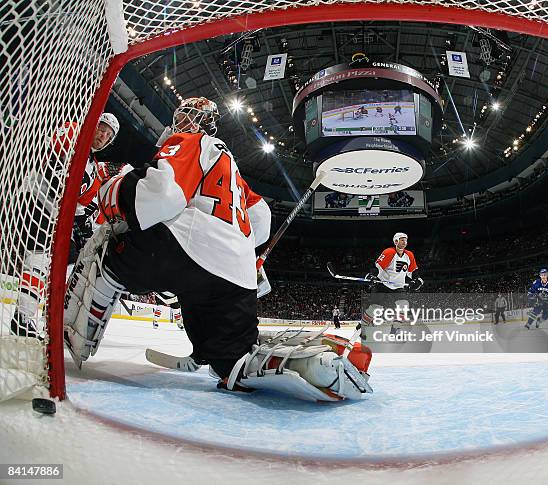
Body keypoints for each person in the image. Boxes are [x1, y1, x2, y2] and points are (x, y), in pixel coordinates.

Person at [64, 97, 371, 401]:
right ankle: (316, 365)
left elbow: (162, 195)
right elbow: (261, 219)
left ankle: (73, 333)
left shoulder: (189, 140)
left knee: (106, 245)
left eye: (186, 116)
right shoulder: (233, 172)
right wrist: (244, 253)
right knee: (233, 361)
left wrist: (110, 195)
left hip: (180, 252)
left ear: (198, 124)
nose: (181, 122)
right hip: (234, 277)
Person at [11, 113, 119, 337]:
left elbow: (78, 209)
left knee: (51, 263)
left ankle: (27, 315)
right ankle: (22, 317)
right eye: (102, 128)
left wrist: (86, 235)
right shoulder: (73, 131)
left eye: (108, 135)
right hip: (34, 201)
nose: (102, 135)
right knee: (39, 261)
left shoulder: (94, 171)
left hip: (50, 217)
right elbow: (52, 167)